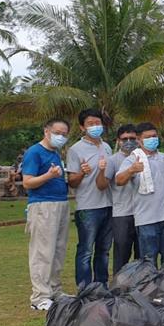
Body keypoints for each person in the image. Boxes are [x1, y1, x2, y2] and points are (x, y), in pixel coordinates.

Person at [21, 118, 71, 310]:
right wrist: (49, 176)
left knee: (58, 251)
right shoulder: (34, 152)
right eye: (58, 132)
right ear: (47, 131)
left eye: (65, 134)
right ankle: (40, 297)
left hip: (61, 203)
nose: (61, 137)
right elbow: (27, 182)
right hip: (43, 206)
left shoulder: (55, 153)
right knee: (43, 252)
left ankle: (55, 290)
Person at [116, 122, 164, 266]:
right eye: (148, 137)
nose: (152, 139)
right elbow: (119, 180)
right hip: (146, 220)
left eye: (154, 136)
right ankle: (150, 288)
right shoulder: (132, 159)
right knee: (149, 261)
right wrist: (131, 170)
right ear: (139, 140)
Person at [66, 108, 113, 287]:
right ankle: (84, 287)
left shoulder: (106, 146)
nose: (95, 127)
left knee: (104, 250)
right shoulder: (75, 150)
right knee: (86, 250)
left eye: (98, 123)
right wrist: (82, 173)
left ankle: (101, 285)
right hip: (88, 207)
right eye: (90, 124)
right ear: (82, 127)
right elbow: (71, 182)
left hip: (108, 205)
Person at [107, 124, 140, 273]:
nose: (129, 141)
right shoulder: (112, 160)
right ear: (118, 141)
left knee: (142, 254)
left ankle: (142, 287)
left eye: (132, 138)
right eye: (124, 139)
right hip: (122, 213)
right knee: (122, 253)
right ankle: (119, 287)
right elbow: (103, 184)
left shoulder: (144, 156)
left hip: (143, 213)